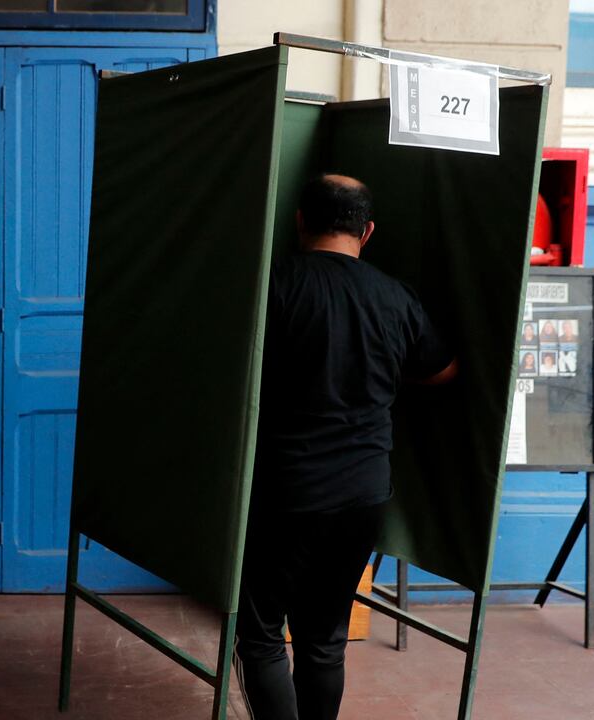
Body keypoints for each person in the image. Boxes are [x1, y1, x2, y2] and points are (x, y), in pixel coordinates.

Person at [237, 174, 457, 720]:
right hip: (363, 493)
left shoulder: (274, 285)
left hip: (287, 490)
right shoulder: (394, 295)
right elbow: (444, 369)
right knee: (324, 637)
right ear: (368, 231)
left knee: (262, 634)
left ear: (300, 221)